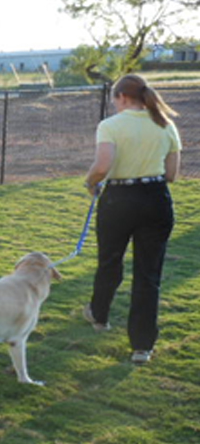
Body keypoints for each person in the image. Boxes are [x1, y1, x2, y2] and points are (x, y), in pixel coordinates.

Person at [83, 74, 182, 364]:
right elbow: (172, 174)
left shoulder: (110, 126)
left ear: (122, 98)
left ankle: (99, 316)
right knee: (148, 275)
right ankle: (142, 346)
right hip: (156, 199)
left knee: (110, 261)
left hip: (119, 200)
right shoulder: (166, 125)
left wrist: (90, 182)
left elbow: (102, 165)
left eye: (115, 101)